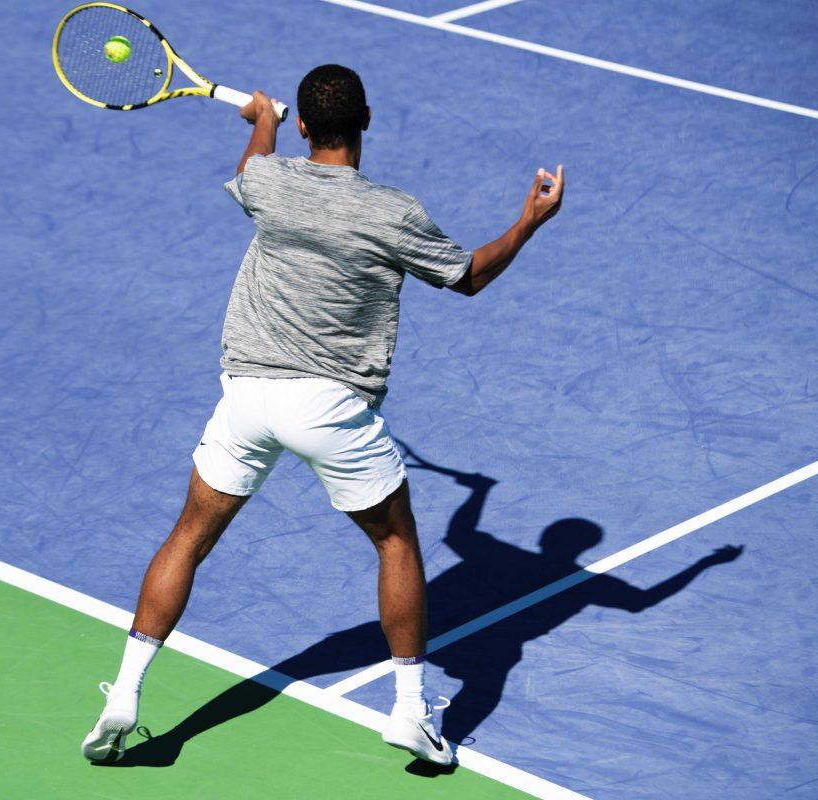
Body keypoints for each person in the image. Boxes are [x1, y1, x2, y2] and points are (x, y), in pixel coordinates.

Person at [82, 64, 564, 766]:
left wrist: (263, 121)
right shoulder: (393, 212)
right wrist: (528, 221)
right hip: (329, 408)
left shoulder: (269, 182)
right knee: (395, 543)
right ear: (365, 119)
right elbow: (471, 275)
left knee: (188, 537)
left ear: (305, 125)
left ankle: (124, 692)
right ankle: (408, 712)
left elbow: (253, 166)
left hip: (247, 397)